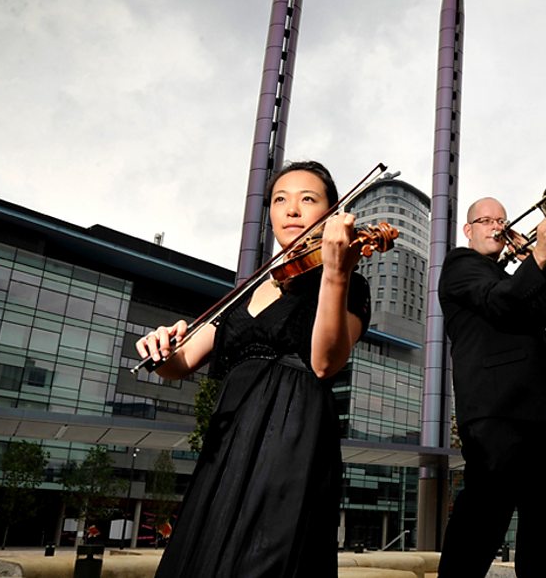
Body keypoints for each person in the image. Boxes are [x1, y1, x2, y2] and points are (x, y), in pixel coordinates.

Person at [135, 161, 370, 578]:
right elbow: (181, 362)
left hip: (293, 433)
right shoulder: (246, 291)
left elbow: (325, 363)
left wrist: (337, 272)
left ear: (332, 214)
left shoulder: (348, 282)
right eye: (280, 200)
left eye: (307, 199)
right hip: (230, 436)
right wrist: (161, 347)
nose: (291, 210)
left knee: (267, 556)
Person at [437, 197, 546, 578]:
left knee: (544, 513)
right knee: (487, 509)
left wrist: (537, 262)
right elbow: (499, 301)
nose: (496, 226)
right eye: (486, 220)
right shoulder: (460, 264)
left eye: (501, 220)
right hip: (493, 409)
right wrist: (537, 257)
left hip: (537, 410)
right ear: (469, 230)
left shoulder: (517, 275)